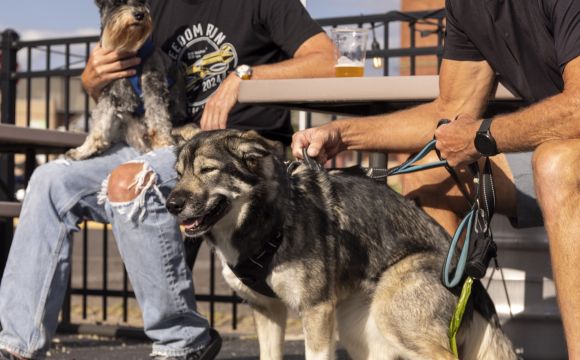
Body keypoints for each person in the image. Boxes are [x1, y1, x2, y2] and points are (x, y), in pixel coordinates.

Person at [0, 0, 334, 359]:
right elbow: (122, 94)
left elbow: (326, 60)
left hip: (229, 153)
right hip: (158, 138)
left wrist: (245, 76)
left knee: (132, 182)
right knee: (49, 180)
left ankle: (182, 341)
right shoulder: (150, 6)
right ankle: (19, 344)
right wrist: (91, 82)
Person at [291, 0, 580, 357]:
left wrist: (482, 135)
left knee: (557, 163)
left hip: (565, 155)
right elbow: (450, 113)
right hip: (559, 150)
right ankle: (452, 346)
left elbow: (578, 106)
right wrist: (344, 133)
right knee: (432, 167)